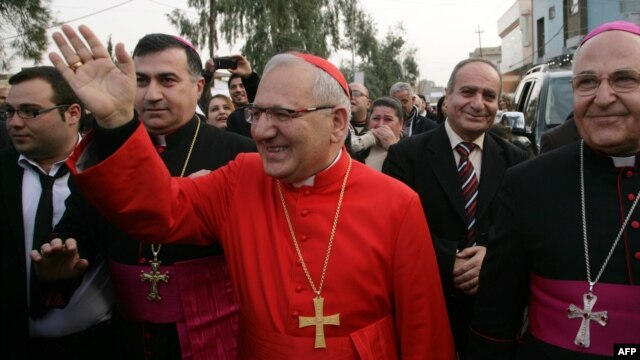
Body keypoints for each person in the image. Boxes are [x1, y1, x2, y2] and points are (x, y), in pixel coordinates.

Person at [48, 24, 455, 359]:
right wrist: (119, 121)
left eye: (282, 114)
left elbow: (425, 328)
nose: (260, 131)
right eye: (257, 113)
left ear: (337, 122)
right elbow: (157, 211)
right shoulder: (240, 177)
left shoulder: (397, 202)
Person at [38, 34, 256, 359]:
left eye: (167, 80)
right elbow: (78, 228)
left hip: (215, 335)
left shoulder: (240, 154)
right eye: (140, 80)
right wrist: (63, 258)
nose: (152, 95)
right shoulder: (102, 154)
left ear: (198, 88)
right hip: (126, 337)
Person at [468, 21, 640, 358]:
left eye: (624, 79)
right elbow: (495, 321)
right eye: (587, 82)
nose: (603, 98)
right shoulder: (528, 182)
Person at [383, 58, 529, 359]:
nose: (478, 103)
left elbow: (527, 230)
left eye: (489, 96)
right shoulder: (406, 156)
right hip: (427, 308)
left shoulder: (518, 159)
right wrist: (448, 261)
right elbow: (390, 228)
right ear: (446, 97)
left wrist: (489, 257)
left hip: (493, 322)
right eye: (468, 92)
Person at [0, 66, 114, 359]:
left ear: (73, 113)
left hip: (98, 344)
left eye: (30, 112)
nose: (14, 123)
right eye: (9, 112)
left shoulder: (107, 170)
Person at [363, 97, 404, 171]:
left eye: (388, 119)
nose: (380, 125)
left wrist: (393, 149)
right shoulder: (359, 150)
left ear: (401, 124)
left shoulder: (411, 151)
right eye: (376, 118)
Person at [225, 56, 261, 138]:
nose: (238, 90)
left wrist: (249, 76)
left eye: (242, 86)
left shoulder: (260, 112)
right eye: (233, 87)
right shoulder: (229, 116)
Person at [346, 82, 375, 161]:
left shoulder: (378, 124)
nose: (350, 97)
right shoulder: (334, 125)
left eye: (356, 93)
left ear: (368, 103)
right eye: (347, 93)